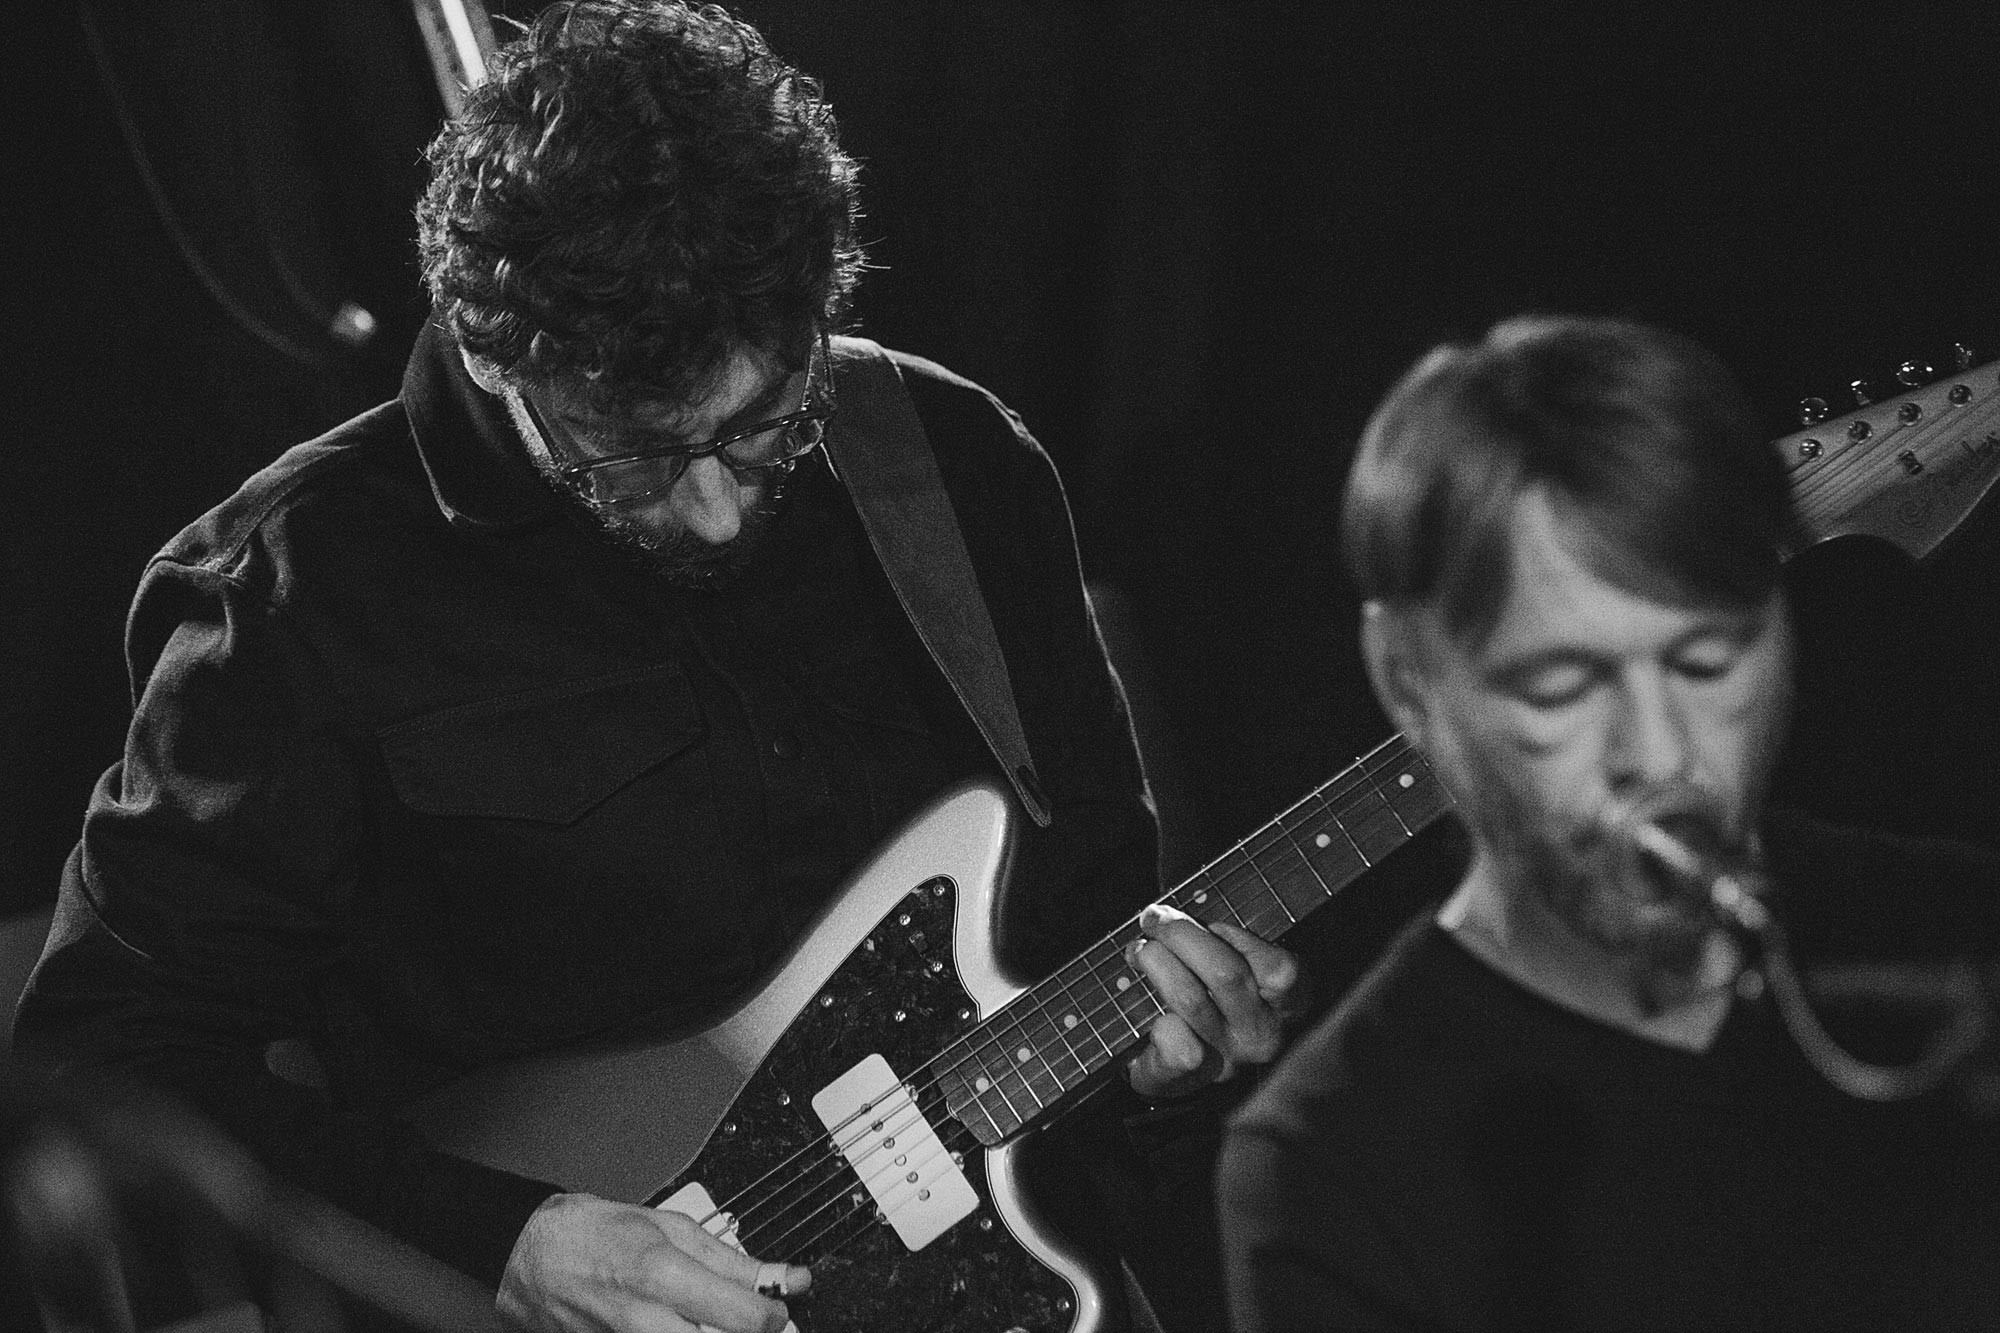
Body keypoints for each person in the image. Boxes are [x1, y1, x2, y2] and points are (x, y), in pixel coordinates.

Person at [13, 5, 1300, 1331]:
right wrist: (502, 1243)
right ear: (498, 359)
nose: (718, 511)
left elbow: (1082, 935)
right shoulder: (294, 590)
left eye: (764, 423)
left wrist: (1160, 1071)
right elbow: (105, 1074)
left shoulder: (959, 468)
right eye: (632, 453)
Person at [1218, 314, 2000, 1331]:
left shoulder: (1958, 940)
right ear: (1408, 682)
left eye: (1707, 661)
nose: (1660, 754)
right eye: (1564, 684)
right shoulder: (1329, 1163)